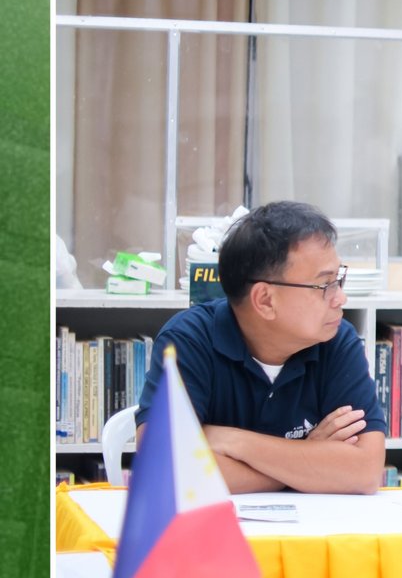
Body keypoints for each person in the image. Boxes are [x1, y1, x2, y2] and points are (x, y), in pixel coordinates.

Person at [134, 201, 386, 494]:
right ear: (265, 300)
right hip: (216, 522)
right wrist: (306, 461)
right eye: (325, 285)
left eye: (339, 279)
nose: (340, 298)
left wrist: (233, 441)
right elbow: (163, 466)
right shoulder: (189, 340)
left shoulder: (335, 340)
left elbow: (365, 471)